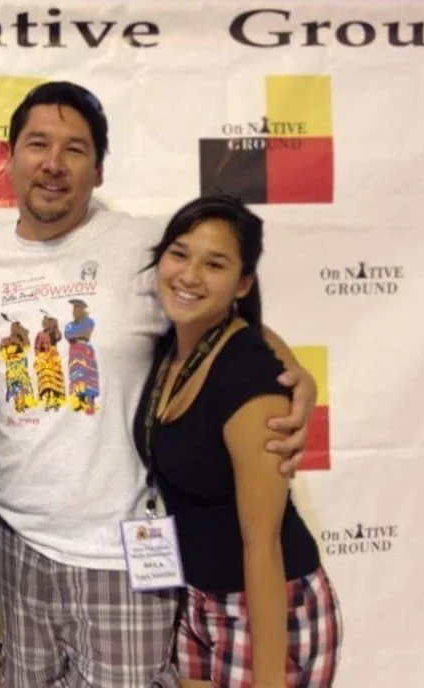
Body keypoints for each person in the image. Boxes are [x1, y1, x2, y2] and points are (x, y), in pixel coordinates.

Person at [0, 81, 317, 687]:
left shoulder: (144, 248)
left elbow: (221, 317)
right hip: (20, 544)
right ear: (10, 157)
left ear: (99, 169)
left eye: (75, 149)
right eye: (38, 144)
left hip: (127, 556)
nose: (54, 163)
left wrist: (295, 372)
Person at [133, 194, 342, 687]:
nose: (189, 275)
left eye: (215, 264)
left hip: (268, 610)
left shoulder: (248, 376)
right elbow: (256, 331)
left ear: (242, 282)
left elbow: (262, 545)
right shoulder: (172, 345)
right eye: (179, 254)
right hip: (196, 601)